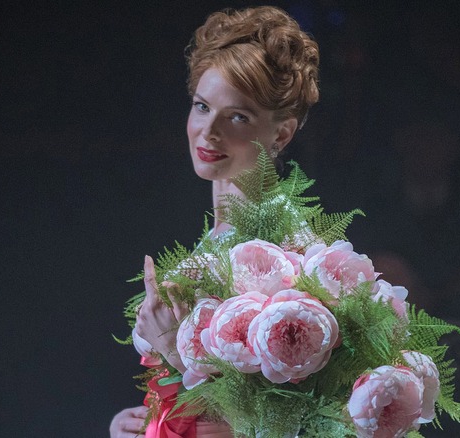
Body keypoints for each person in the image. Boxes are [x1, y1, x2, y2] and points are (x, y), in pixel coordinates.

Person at [110, 6, 320, 438]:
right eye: (202, 107)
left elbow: (293, 419)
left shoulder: (283, 249)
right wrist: (145, 424)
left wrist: (172, 349)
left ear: (281, 134)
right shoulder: (221, 235)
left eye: (237, 117)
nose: (209, 131)